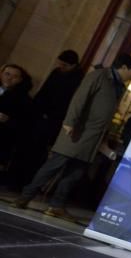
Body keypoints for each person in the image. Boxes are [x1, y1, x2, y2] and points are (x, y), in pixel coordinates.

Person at [13, 53, 131, 220]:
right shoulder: (99, 76)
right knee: (54, 166)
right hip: (78, 132)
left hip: (93, 137)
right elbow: (80, 98)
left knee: (75, 173)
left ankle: (56, 206)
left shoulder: (118, 84)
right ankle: (24, 197)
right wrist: (70, 122)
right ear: (123, 67)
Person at [6, 50, 83, 189]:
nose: (61, 67)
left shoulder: (78, 79)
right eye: (60, 64)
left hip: (53, 122)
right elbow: (44, 91)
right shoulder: (56, 72)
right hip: (38, 117)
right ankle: (12, 178)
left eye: (65, 65)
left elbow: (69, 102)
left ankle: (24, 182)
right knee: (24, 149)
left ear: (73, 65)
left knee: (37, 154)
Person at [0, 64, 33, 167]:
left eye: (14, 77)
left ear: (20, 80)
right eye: (7, 74)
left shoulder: (24, 100)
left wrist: (9, 120)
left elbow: (25, 126)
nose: (9, 78)